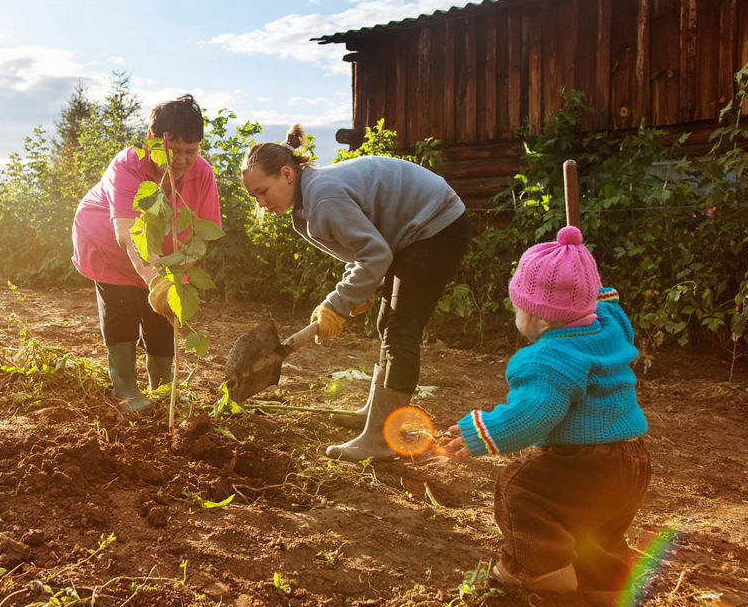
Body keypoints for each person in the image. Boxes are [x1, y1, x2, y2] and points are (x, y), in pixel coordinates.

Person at [440, 225, 650, 607]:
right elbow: (608, 304)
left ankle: (538, 569)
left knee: (519, 488)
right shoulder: (608, 324)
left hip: (586, 462)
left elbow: (531, 416)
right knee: (599, 528)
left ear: (539, 318)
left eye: (519, 307)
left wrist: (481, 431)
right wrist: (588, 284)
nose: (516, 314)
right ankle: (608, 586)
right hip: (632, 461)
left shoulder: (547, 359)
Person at [240, 124, 470, 460]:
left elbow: (375, 254)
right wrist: (359, 290)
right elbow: (364, 253)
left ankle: (380, 438)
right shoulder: (306, 207)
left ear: (286, 174)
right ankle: (375, 414)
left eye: (263, 191)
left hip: (436, 227)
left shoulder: (323, 198)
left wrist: (337, 303)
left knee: (399, 330)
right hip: (410, 236)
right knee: (386, 324)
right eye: (253, 197)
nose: (261, 202)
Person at [72, 94, 221, 414]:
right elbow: (127, 234)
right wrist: (156, 280)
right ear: (153, 141)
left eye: (190, 152)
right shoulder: (127, 166)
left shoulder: (203, 174)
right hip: (108, 244)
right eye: (173, 151)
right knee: (123, 306)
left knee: (163, 316)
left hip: (163, 256)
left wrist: (177, 276)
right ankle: (125, 386)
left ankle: (164, 386)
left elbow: (201, 234)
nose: (181, 161)